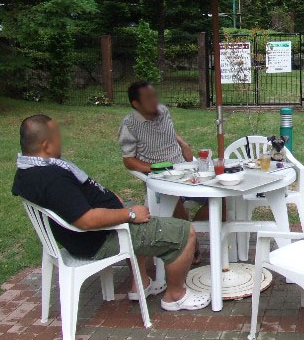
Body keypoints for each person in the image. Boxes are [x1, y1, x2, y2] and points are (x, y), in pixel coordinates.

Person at [13, 115, 209, 311]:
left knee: (139, 211)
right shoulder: (52, 179)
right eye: (57, 136)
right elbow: (86, 220)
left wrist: (109, 199)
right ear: (46, 145)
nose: (61, 140)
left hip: (89, 235)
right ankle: (175, 296)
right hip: (100, 238)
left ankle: (141, 283)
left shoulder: (27, 171)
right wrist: (130, 215)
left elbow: (75, 203)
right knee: (185, 232)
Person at [118, 81, 206, 263]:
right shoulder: (129, 124)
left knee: (223, 197)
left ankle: (191, 233)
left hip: (185, 169)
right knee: (174, 199)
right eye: (148, 98)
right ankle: (191, 243)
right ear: (136, 104)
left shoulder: (163, 111)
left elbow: (169, 133)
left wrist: (183, 145)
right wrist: (156, 168)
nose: (155, 100)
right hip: (161, 178)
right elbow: (128, 160)